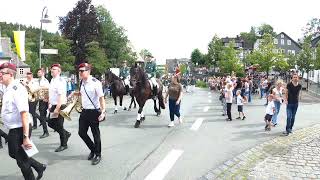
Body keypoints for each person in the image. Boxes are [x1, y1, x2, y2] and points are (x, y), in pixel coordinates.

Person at [0, 62, 46, 180]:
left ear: (10, 74)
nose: (0, 75)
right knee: (13, 153)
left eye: (2, 73)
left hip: (20, 127)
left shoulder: (17, 89)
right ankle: (38, 166)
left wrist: (26, 137)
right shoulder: (8, 88)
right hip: (14, 128)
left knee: (22, 161)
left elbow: (24, 114)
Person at [75, 63, 106, 165]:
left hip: (93, 111)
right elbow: (82, 93)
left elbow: (101, 98)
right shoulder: (82, 82)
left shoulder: (95, 83)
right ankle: (93, 149)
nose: (80, 73)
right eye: (79, 71)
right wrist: (74, 94)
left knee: (95, 134)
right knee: (81, 132)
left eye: (82, 71)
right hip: (84, 111)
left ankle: (98, 154)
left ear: (88, 71)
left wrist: (103, 111)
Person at [48, 64, 71, 152]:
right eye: (52, 69)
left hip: (60, 105)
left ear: (59, 71)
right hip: (54, 105)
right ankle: (66, 134)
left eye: (54, 69)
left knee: (59, 125)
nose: (52, 70)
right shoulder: (52, 80)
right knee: (50, 123)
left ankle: (64, 144)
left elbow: (61, 96)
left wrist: (57, 109)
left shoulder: (60, 81)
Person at [36, 68, 50, 139]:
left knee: (42, 116)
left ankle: (46, 132)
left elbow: (47, 90)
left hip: (44, 100)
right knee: (43, 116)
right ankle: (46, 129)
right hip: (40, 100)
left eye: (39, 72)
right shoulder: (38, 81)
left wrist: (46, 98)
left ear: (43, 73)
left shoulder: (45, 81)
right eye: (38, 72)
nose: (38, 73)